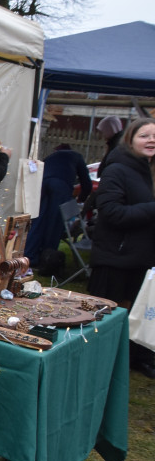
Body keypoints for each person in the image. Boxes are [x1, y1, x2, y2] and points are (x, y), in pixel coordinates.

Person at [87, 117, 155, 378]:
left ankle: (134, 358)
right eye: (144, 135)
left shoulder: (148, 170)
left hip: (142, 258)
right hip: (116, 257)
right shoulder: (117, 169)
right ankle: (100, 363)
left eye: (154, 136)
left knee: (137, 314)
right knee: (109, 317)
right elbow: (111, 212)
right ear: (130, 139)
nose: (151, 140)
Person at [23, 144, 93, 271]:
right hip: (61, 186)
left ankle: (30, 257)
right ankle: (47, 258)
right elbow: (86, 183)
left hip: (42, 184)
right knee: (54, 223)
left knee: (38, 220)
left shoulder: (51, 156)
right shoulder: (77, 156)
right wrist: (81, 199)